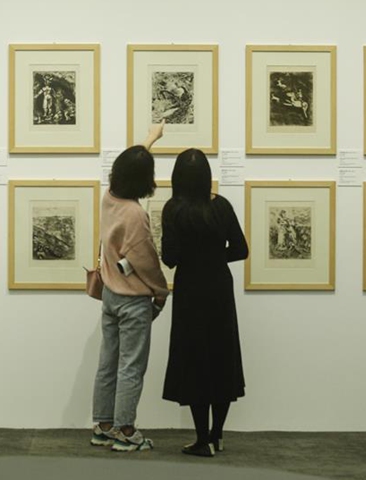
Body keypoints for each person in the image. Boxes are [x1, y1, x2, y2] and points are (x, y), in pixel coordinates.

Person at [160, 148, 249, 457]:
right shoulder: (221, 206)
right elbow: (241, 249)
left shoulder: (174, 209)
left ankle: (201, 439)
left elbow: (169, 258)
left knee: (194, 358)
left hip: (190, 289)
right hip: (219, 286)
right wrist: (213, 256)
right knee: (221, 355)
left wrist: (192, 257)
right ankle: (217, 435)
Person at [91, 122, 169, 452]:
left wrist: (150, 139)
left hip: (109, 294)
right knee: (131, 367)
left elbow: (131, 165)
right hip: (133, 301)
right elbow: (146, 261)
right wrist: (162, 291)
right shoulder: (135, 215)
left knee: (108, 363)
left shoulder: (109, 198)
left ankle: (103, 424)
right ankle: (125, 430)